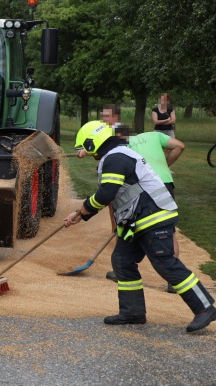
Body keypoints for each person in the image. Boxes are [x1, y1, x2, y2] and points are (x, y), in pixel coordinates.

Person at [64, 121, 216, 332]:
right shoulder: (116, 155)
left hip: (153, 216)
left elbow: (107, 193)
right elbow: (114, 194)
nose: (88, 153)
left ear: (92, 144)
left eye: (86, 148)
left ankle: (205, 307)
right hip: (136, 221)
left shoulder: (116, 158)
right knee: (122, 260)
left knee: (164, 262)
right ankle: (132, 312)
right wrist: (83, 213)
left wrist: (81, 211)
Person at [81, 105, 185, 292]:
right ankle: (172, 281)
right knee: (168, 230)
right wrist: (164, 165)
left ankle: (124, 268)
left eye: (107, 116)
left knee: (127, 221)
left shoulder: (120, 145)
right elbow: (179, 146)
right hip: (162, 182)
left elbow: (110, 189)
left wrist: (88, 150)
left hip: (141, 184)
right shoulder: (153, 136)